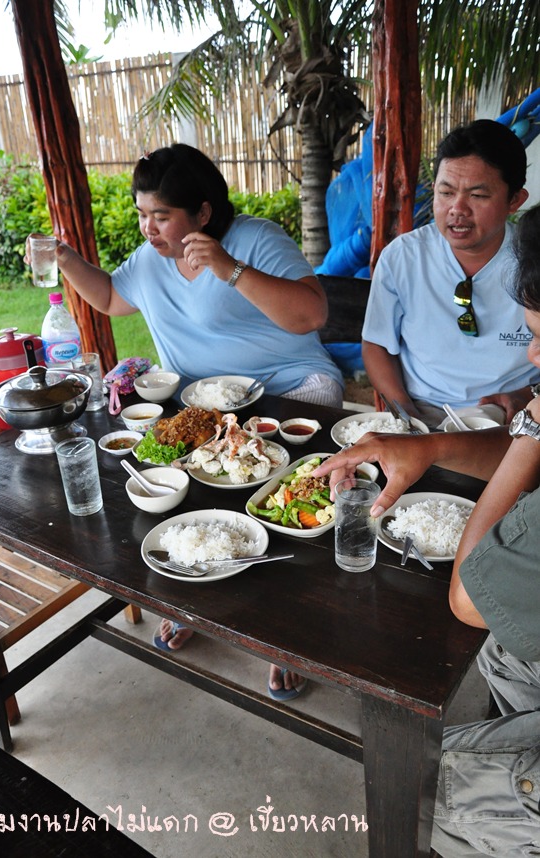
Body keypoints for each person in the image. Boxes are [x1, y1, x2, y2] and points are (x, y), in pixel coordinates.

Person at [32, 143, 344, 702]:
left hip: (290, 390)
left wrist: (229, 268)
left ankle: (284, 634)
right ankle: (196, 598)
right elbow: (107, 297)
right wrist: (64, 256)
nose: (149, 228)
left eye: (161, 215)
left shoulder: (254, 239)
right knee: (170, 489)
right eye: (141, 214)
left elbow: (312, 314)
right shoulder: (152, 258)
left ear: (202, 213)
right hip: (201, 404)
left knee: (285, 502)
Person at [314, 204, 540, 857]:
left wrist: (533, 422)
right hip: (453, 430)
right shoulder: (408, 255)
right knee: (502, 654)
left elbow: (471, 595)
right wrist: (433, 446)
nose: (532, 354)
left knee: (408, 786)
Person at [362, 119, 537, 428]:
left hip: (515, 418)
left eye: (478, 196)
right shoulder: (404, 257)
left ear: (515, 200)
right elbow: (376, 343)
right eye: (445, 192)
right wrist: (405, 414)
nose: (457, 209)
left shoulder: (533, 257)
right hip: (425, 413)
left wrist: (527, 395)